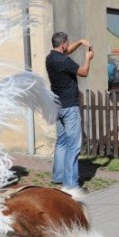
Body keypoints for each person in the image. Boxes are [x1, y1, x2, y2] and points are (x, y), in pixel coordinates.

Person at [47, 32, 93, 198]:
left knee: (61, 142)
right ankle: (71, 184)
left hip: (57, 106)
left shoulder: (50, 58)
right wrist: (88, 58)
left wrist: (80, 41)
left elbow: (66, 52)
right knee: (73, 145)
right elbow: (83, 72)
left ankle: (58, 176)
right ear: (63, 44)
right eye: (67, 43)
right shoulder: (65, 61)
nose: (68, 46)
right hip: (69, 107)